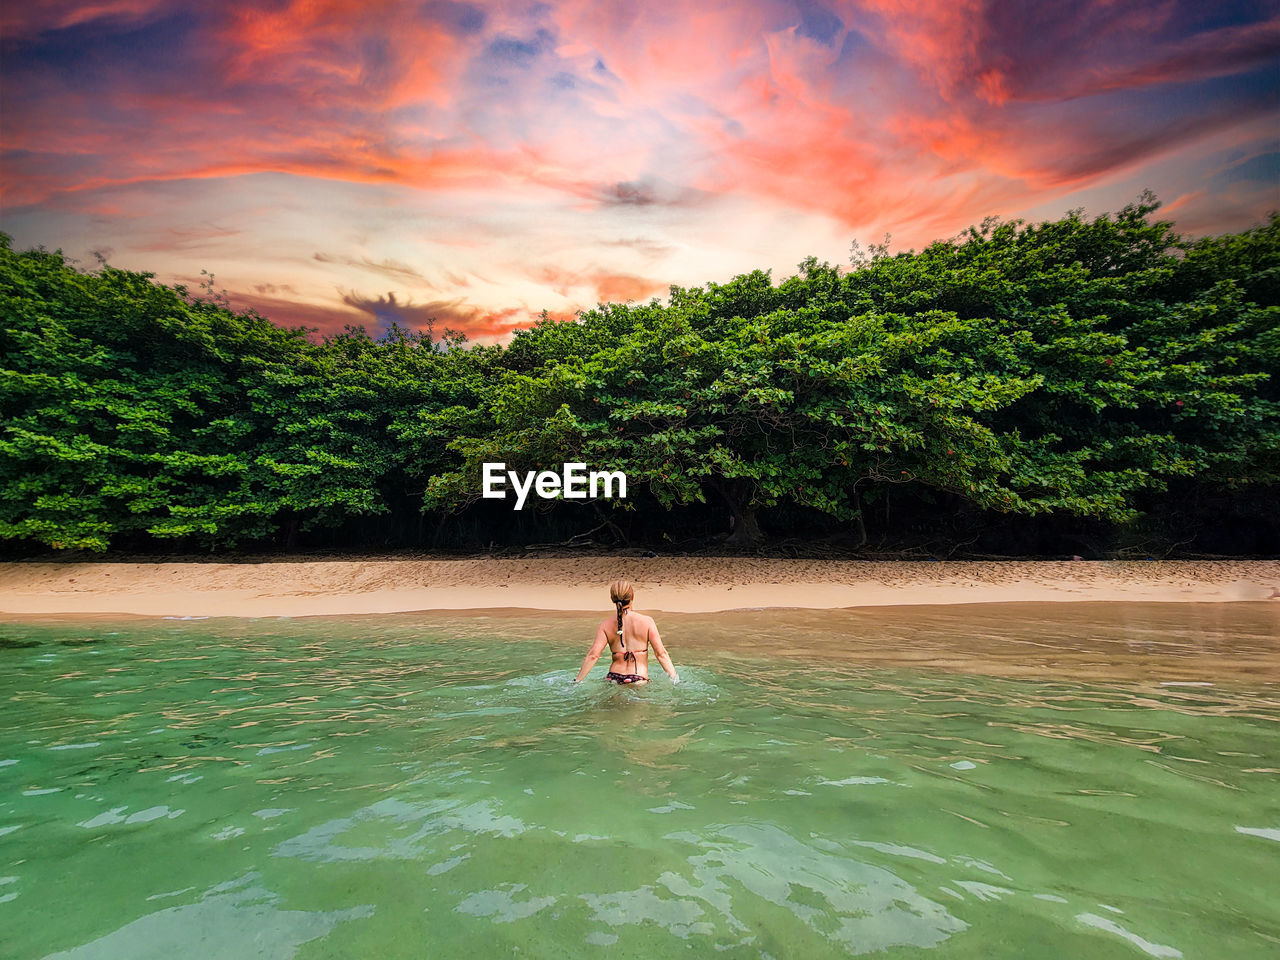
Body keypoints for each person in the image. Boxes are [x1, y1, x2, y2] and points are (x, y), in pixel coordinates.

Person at [573, 580, 679, 684]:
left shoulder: (605, 625)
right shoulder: (647, 622)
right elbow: (661, 654)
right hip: (638, 678)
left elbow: (593, 655)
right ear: (632, 596)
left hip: (613, 677)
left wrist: (577, 680)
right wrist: (675, 678)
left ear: (612, 598)